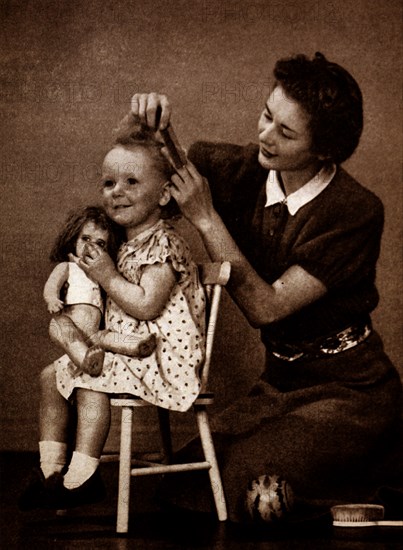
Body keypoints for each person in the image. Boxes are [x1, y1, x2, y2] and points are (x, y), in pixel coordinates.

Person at [131, 52, 403, 523]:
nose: (264, 136)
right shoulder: (238, 170)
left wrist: (206, 218)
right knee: (185, 479)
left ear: (324, 151)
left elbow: (267, 306)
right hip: (278, 386)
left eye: (286, 132)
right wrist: (141, 118)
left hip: (350, 393)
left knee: (239, 480)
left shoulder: (355, 211)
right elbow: (149, 164)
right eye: (266, 115)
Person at [19, 116, 206, 511]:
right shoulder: (119, 244)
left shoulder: (164, 243)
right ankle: (50, 470)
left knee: (91, 379)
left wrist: (104, 275)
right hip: (120, 349)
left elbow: (146, 305)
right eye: (109, 183)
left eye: (131, 182)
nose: (116, 192)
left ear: (165, 194)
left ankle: (83, 476)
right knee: (50, 376)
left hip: (160, 354)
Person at [44, 205, 157, 378]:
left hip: (93, 334)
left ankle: (137, 345)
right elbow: (52, 285)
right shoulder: (67, 267)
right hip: (67, 320)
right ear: (74, 240)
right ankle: (85, 361)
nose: (91, 247)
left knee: (108, 337)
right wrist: (52, 298)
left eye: (100, 243)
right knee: (68, 333)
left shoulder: (101, 274)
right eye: (85, 239)